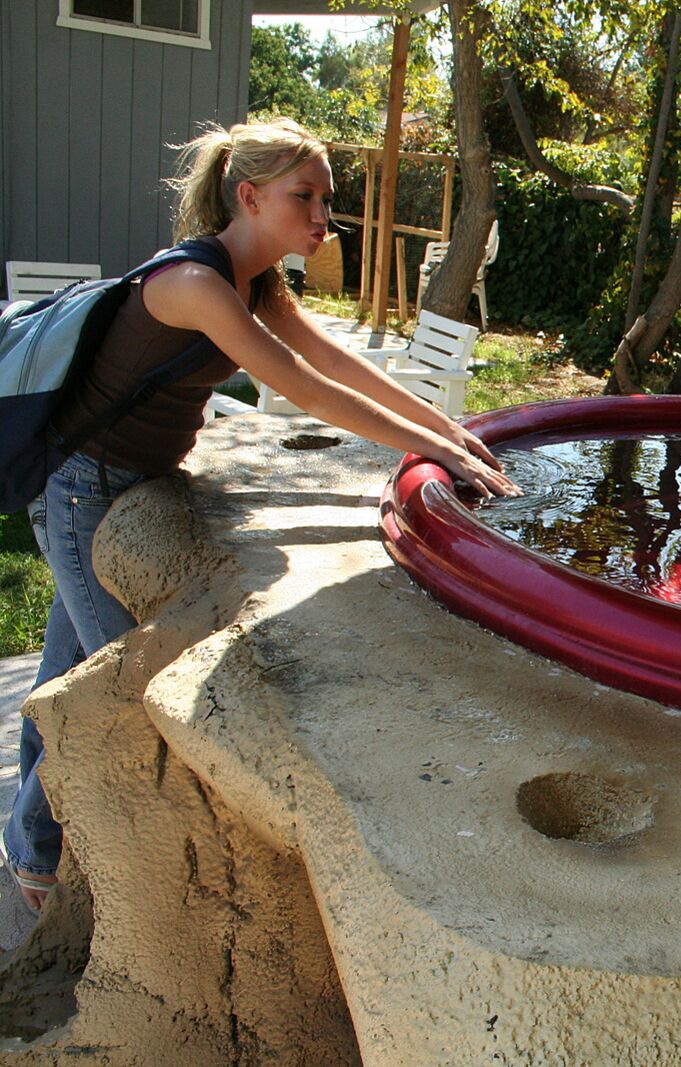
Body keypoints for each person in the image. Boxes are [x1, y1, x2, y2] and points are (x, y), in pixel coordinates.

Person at [7, 118, 518, 914]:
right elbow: (306, 389)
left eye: (326, 200)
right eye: (303, 197)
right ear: (248, 196)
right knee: (115, 689)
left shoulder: (260, 282)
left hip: (125, 482)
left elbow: (336, 361)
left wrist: (451, 431)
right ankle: (59, 872)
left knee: (68, 674)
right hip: (84, 490)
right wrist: (438, 451)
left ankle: (30, 858)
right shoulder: (195, 283)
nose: (323, 217)